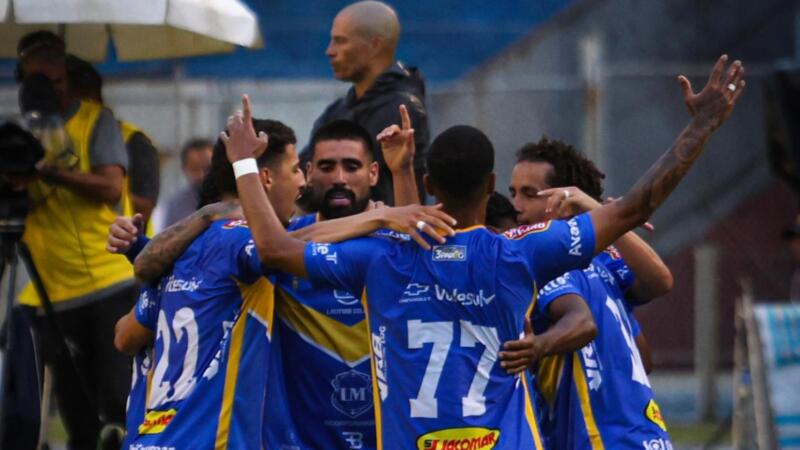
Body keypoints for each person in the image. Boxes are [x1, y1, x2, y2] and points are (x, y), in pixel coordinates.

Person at [224, 54, 744, 449]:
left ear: (431, 184)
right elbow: (635, 207)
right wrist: (701, 126)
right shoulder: (520, 253)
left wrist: (245, 163)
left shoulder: (380, 257)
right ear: (492, 185)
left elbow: (274, 247)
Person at [110, 113, 451, 449]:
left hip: (377, 429)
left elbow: (412, 258)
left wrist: (400, 175)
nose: (337, 178)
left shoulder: (379, 240)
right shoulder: (266, 245)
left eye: (352, 166)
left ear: (374, 173)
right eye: (322, 167)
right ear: (307, 173)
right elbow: (127, 334)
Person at [503, 138, 673, 449]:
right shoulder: (545, 261)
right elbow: (642, 355)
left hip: (607, 439)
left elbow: (660, 281)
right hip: (639, 438)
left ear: (563, 198)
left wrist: (606, 216)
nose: (516, 205)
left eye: (529, 194)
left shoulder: (590, 260)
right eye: (513, 192)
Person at [15, 30, 136, 450]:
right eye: (39, 82)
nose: (52, 92)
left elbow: (110, 186)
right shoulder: (18, 137)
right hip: (53, 291)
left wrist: (49, 172)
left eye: (58, 81)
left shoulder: (96, 121)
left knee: (118, 402)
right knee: (75, 410)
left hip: (108, 281)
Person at [303, 0, 430, 205]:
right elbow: (303, 177)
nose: (330, 51)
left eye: (340, 41)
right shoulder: (339, 109)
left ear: (375, 45)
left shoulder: (401, 110)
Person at [66, 54, 161, 229]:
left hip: (121, 244)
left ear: (93, 99)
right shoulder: (50, 137)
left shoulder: (134, 141)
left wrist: (77, 183)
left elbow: (145, 207)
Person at [160, 138, 214, 227]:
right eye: (195, 169)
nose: (202, 175)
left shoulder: (234, 197)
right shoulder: (177, 206)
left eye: (207, 168)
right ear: (184, 169)